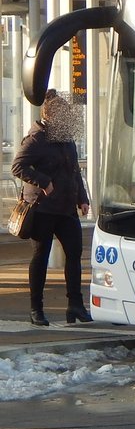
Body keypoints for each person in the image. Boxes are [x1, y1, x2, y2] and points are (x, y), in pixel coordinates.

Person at [10, 90, 91, 326]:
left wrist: (82, 198)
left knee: (74, 254)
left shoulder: (67, 139)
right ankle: (37, 309)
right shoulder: (36, 139)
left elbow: (74, 171)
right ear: (51, 115)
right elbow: (17, 167)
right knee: (41, 256)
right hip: (43, 209)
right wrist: (44, 182)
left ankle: (75, 305)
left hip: (66, 208)